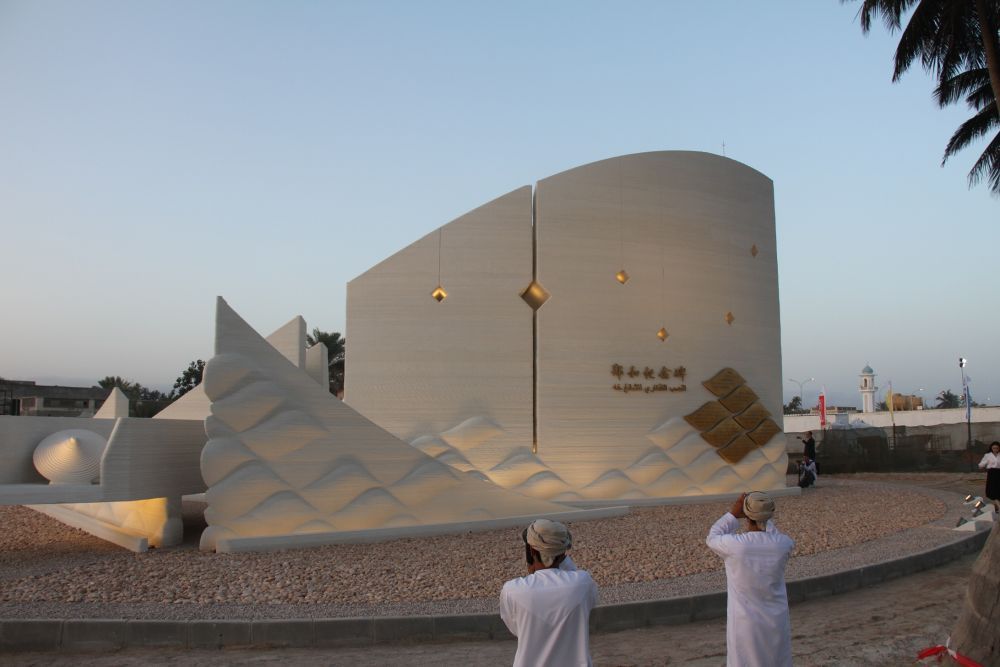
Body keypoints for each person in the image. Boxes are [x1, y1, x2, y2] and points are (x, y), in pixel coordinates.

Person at [706, 491, 795, 667]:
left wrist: (733, 514)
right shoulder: (784, 544)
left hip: (745, 622)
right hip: (776, 620)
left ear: (747, 517)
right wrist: (763, 513)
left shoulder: (735, 546)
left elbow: (713, 536)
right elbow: (772, 533)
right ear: (771, 515)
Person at [500, 519, 598, 667]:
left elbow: (516, 630)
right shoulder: (582, 583)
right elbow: (586, 596)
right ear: (563, 552)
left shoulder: (512, 590)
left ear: (532, 551)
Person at [978, 441, 1000, 513]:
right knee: (993, 491)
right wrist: (981, 465)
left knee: (998, 491)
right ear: (991, 448)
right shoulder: (987, 455)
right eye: (994, 448)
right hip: (992, 474)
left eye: (997, 448)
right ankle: (998, 507)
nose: (995, 449)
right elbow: (982, 463)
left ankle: (996, 506)